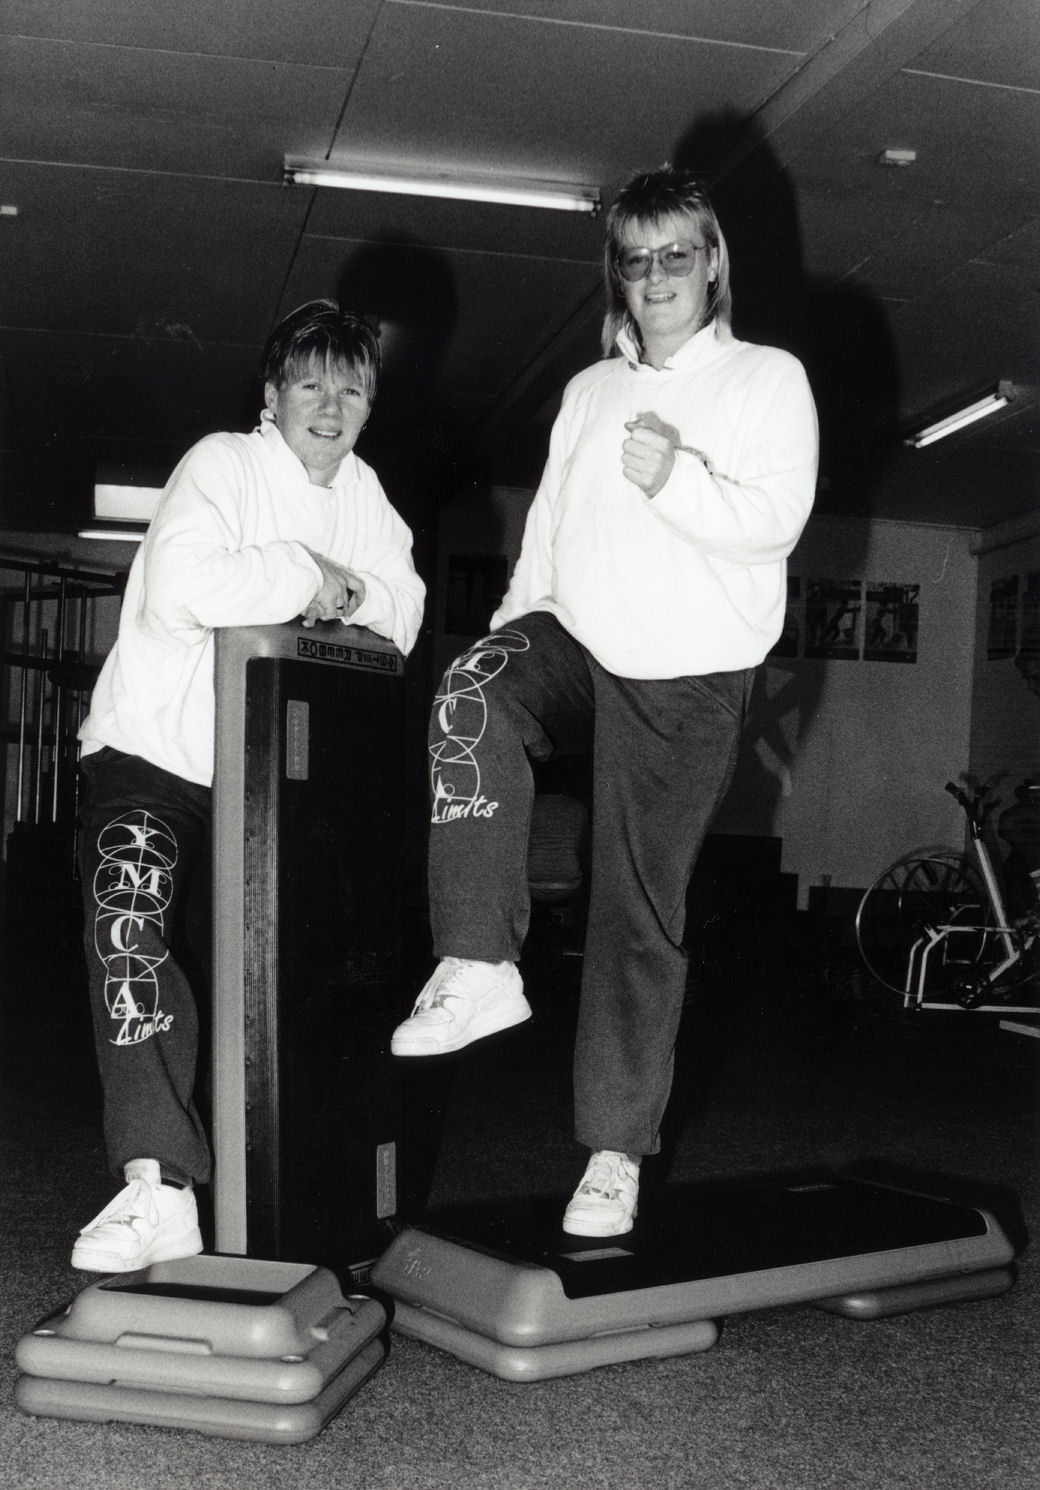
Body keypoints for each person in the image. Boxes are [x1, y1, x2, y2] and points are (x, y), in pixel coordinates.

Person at [390, 166, 819, 1238]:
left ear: (712, 261)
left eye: (678, 252)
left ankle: (614, 1149)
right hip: (575, 636)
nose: (657, 274)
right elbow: (547, 538)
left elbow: (774, 520)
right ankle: (479, 959)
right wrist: (504, 627)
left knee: (635, 907)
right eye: (636, 258)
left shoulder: (766, 380)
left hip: (688, 664)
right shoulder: (587, 393)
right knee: (468, 691)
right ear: (616, 276)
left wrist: (672, 475)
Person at [72, 300, 425, 1272]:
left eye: (349, 387)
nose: (329, 403)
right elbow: (189, 585)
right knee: (128, 927)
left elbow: (401, 611)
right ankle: (156, 1186)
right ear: (272, 395)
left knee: (282, 986)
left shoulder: (364, 493)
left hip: (268, 787)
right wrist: (303, 572)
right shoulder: (221, 465)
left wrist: (340, 587)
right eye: (309, 382)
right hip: (155, 756)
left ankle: (298, 1201)